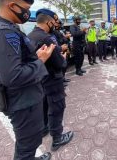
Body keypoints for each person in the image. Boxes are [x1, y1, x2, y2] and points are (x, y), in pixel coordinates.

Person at [0, 0, 53, 160]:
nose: (28, 14)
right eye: (26, 9)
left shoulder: (7, 27)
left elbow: (15, 61)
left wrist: (34, 57)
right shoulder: (4, 32)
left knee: (31, 140)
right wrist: (40, 61)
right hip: (22, 101)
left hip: (25, 98)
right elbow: (13, 76)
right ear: (12, 6)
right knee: (26, 146)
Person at [28, 9, 74, 152]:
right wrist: (63, 57)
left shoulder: (30, 35)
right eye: (53, 22)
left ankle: (44, 128)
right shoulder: (47, 38)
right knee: (57, 107)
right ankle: (57, 138)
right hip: (53, 78)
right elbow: (59, 63)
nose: (55, 25)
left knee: (44, 104)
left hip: (40, 78)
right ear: (48, 22)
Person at [52, 19, 71, 83]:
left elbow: (65, 40)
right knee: (61, 66)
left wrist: (67, 48)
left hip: (65, 49)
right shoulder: (54, 32)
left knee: (65, 65)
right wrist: (65, 37)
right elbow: (59, 41)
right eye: (59, 23)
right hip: (60, 50)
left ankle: (63, 78)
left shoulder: (61, 31)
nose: (60, 25)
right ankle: (61, 81)